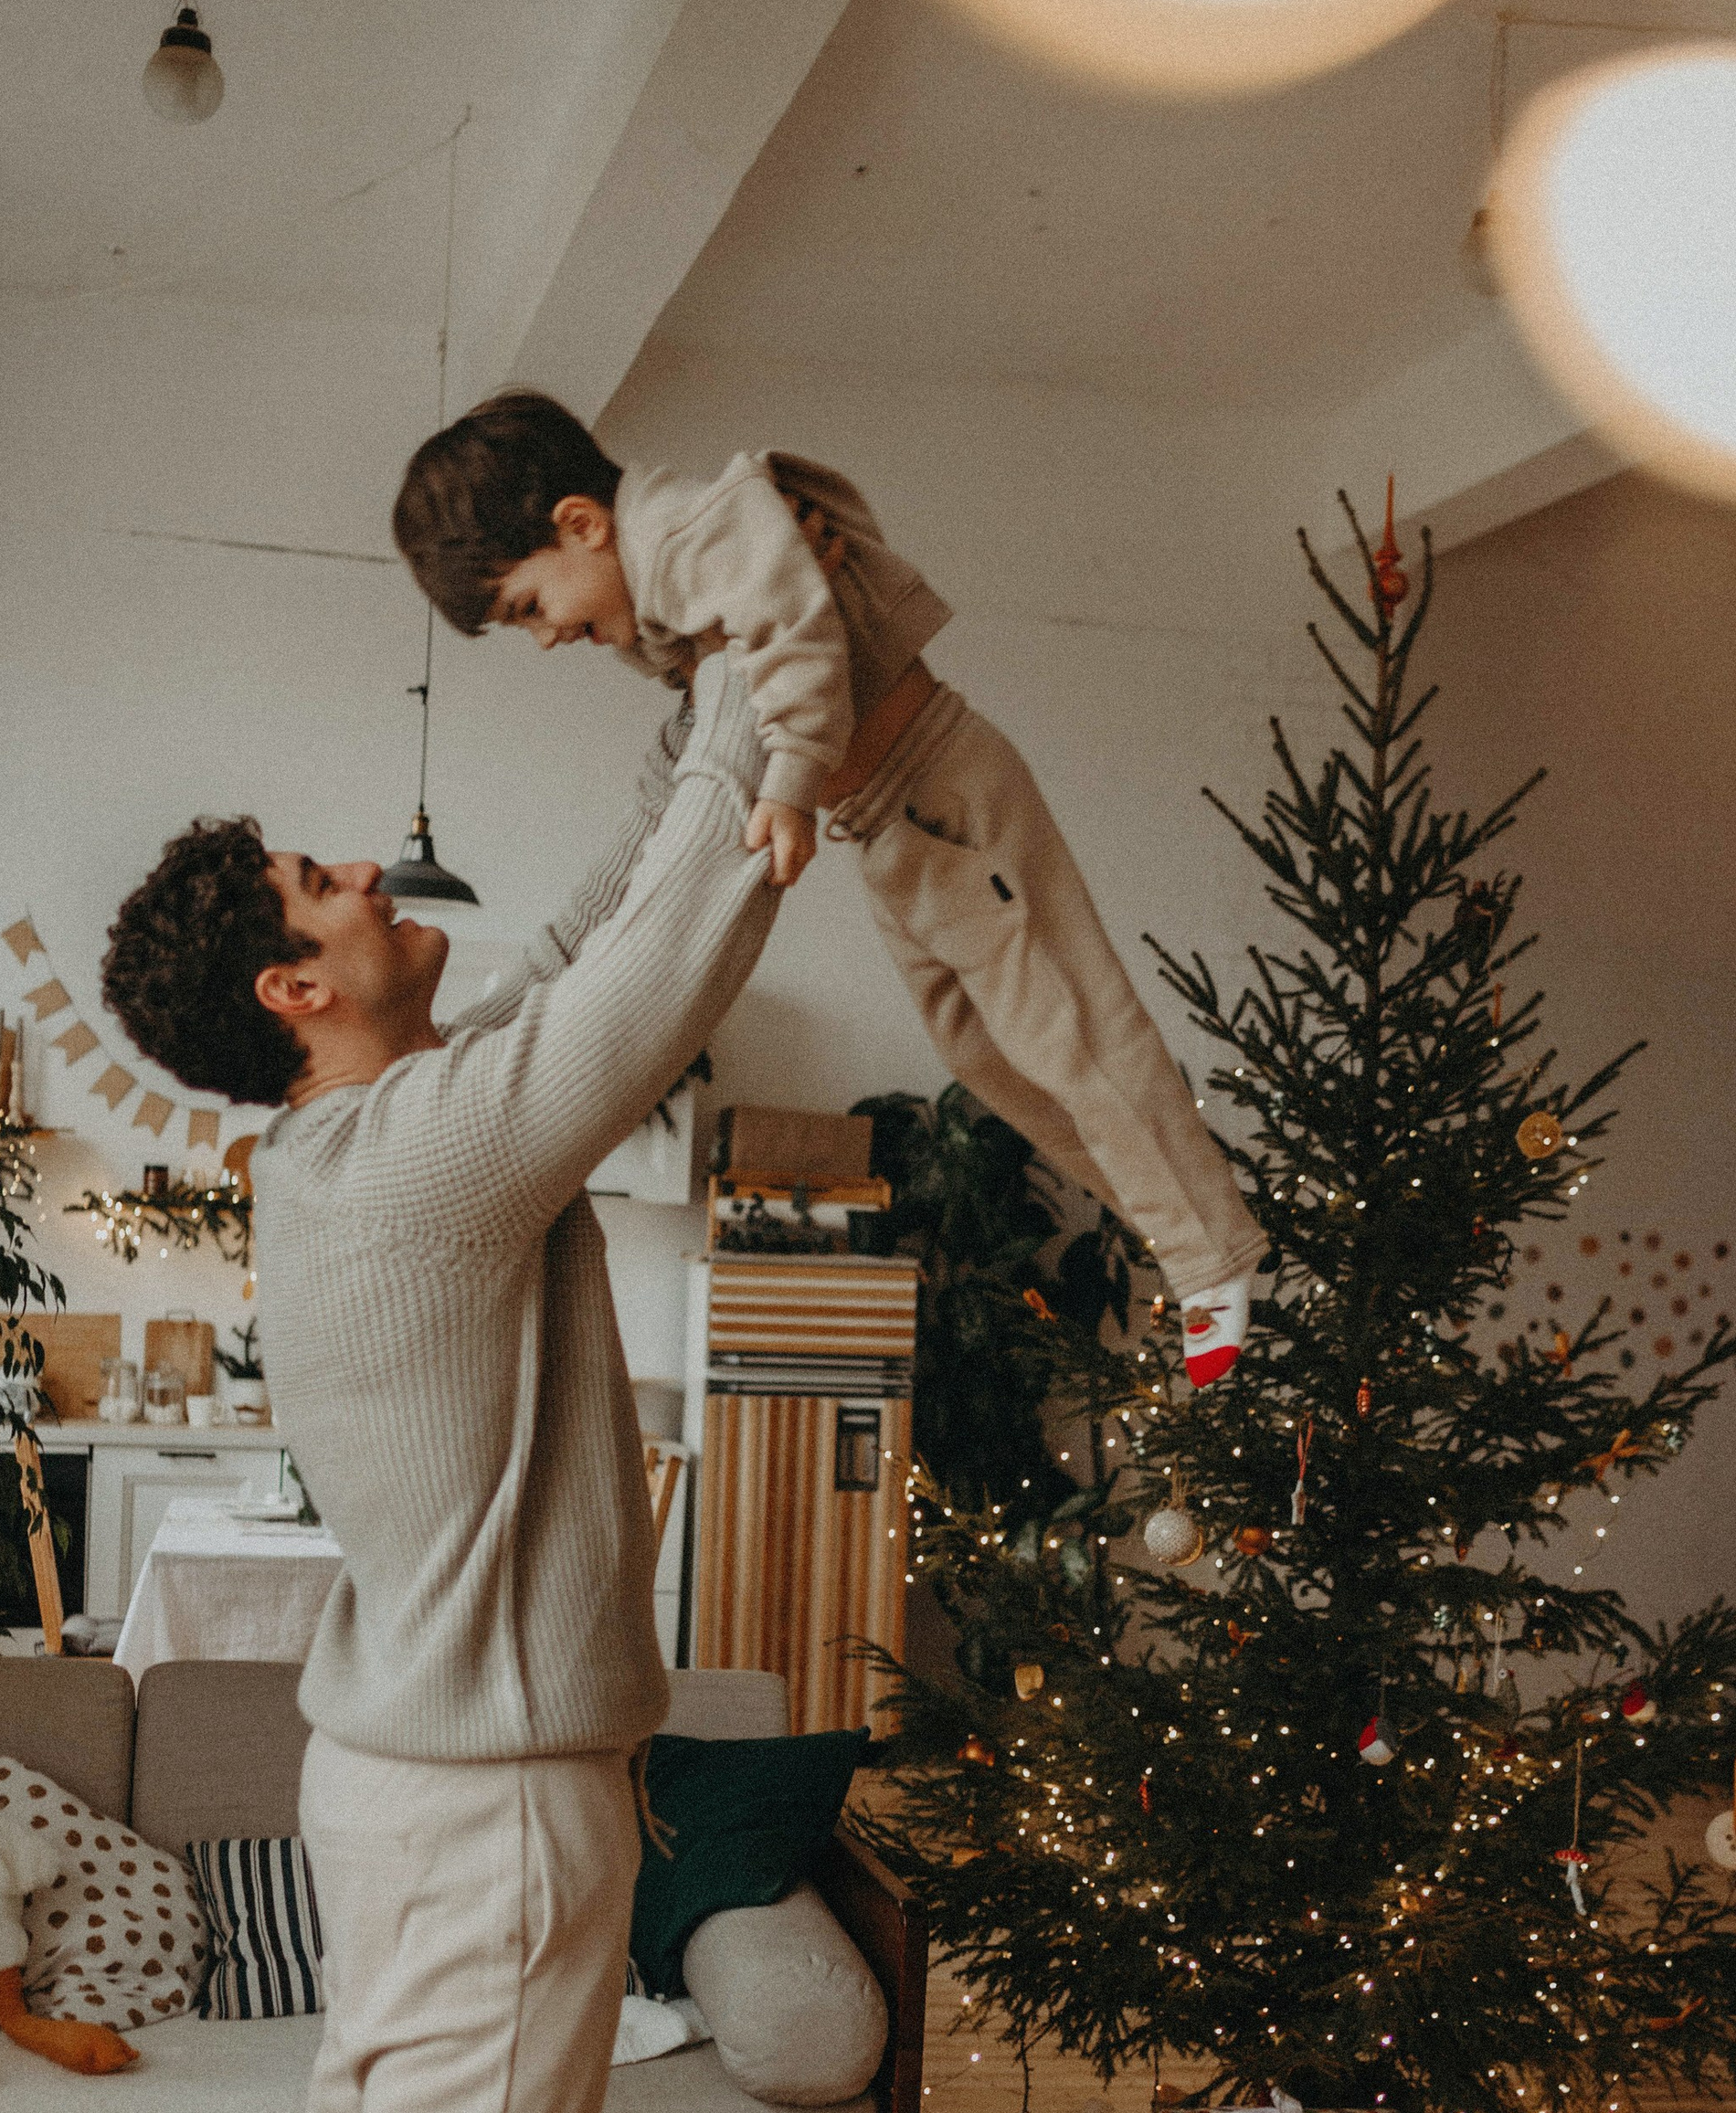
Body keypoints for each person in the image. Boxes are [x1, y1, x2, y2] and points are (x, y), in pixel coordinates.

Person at [100, 663, 776, 2113]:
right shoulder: (425, 1152)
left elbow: (585, 955)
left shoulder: (364, 1140)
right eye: (328, 882)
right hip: (488, 1828)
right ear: (296, 988)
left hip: (402, 1783)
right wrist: (768, 723)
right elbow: (657, 973)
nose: (371, 875)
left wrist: (682, 740)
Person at [391, 391, 1267, 1387]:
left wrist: (792, 783)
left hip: (942, 792)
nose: (546, 637)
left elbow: (797, 633)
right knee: (981, 1053)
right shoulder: (666, 599)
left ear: (581, 526)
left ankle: (1213, 1255)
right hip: (889, 833)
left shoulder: (689, 530)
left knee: (1069, 1028)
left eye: (529, 607)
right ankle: (1180, 1226)